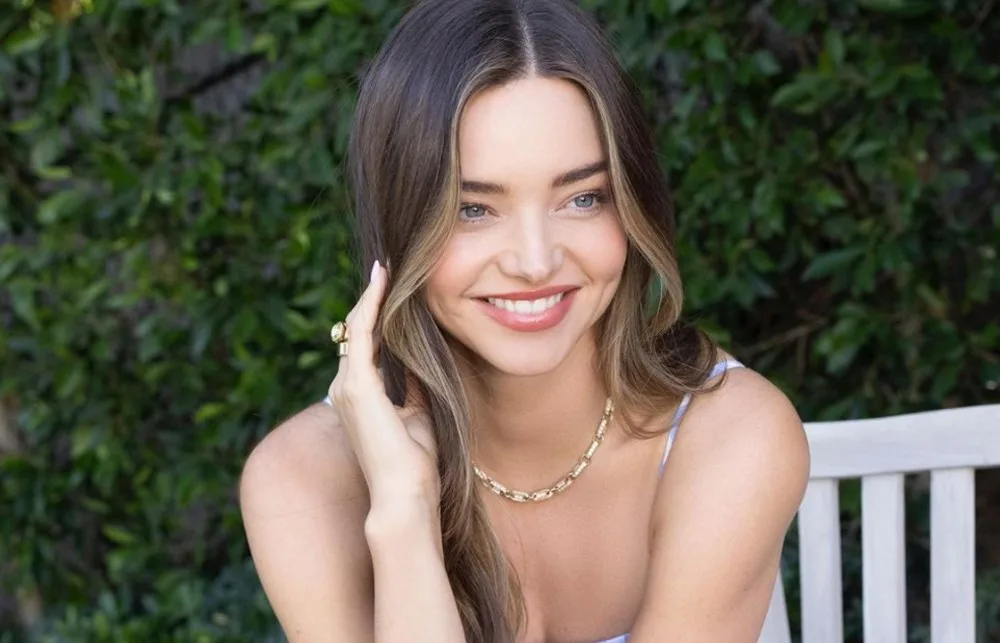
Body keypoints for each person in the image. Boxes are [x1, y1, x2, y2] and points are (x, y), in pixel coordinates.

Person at [238, 0, 810, 641]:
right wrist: (404, 511)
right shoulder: (304, 481)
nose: (536, 262)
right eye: (473, 209)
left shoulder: (732, 437)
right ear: (399, 225)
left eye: (583, 197)